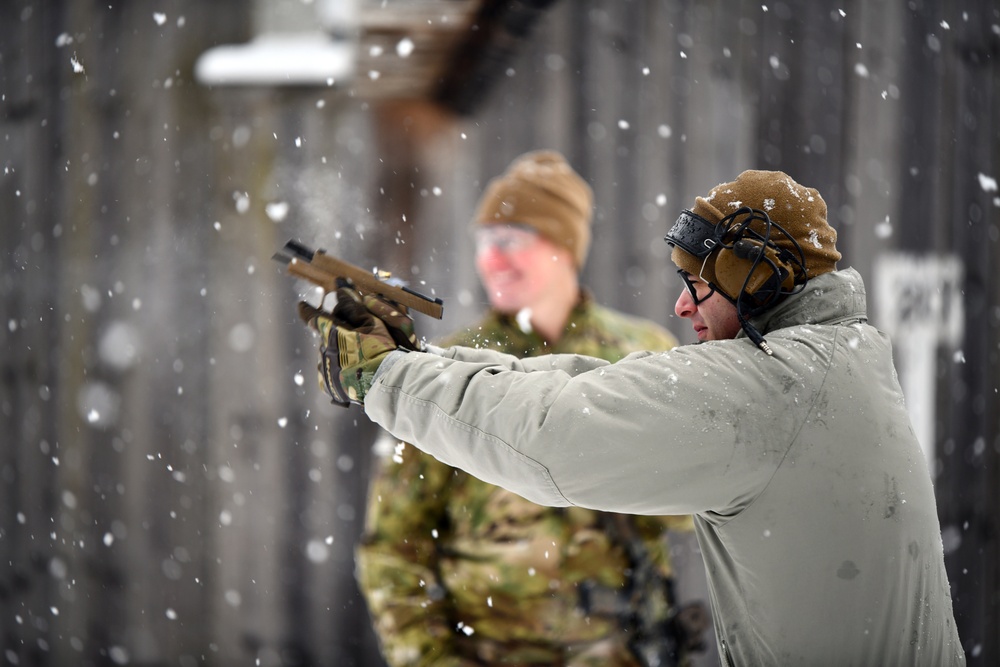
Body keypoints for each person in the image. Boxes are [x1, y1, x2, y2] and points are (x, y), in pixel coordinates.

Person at [306, 169, 965, 665]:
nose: (682, 308)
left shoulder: (771, 384)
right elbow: (585, 388)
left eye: (696, 283)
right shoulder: (844, 353)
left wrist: (382, 375)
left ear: (752, 275)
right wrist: (422, 362)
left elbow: (556, 433)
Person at [353, 151, 705, 667]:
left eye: (510, 241)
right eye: (483, 243)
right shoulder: (446, 367)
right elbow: (392, 547)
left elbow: (694, 502)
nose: (491, 259)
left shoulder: (638, 353)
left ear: (562, 244)